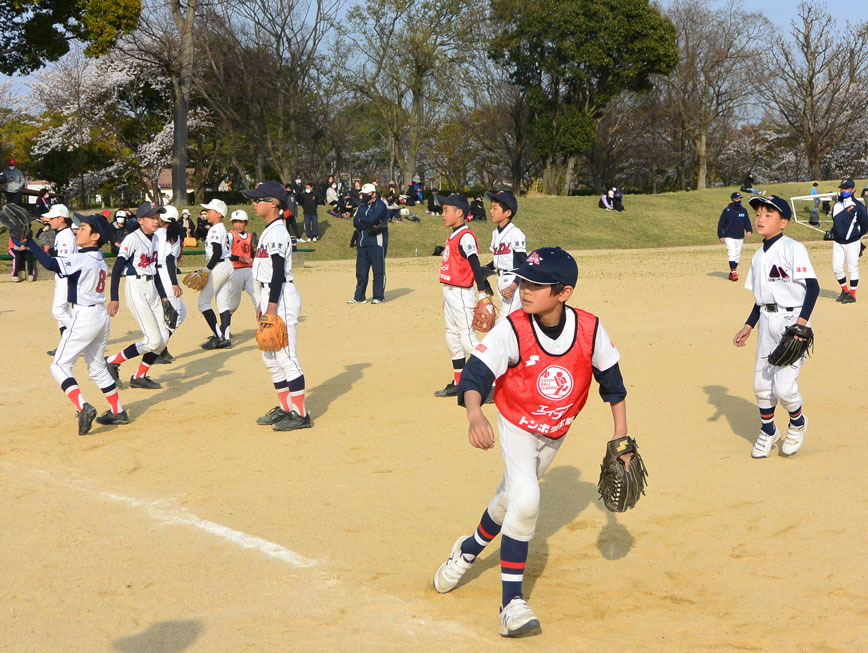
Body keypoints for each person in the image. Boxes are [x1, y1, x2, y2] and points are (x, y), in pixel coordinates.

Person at [432, 246, 630, 637]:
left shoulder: (590, 328)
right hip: (516, 424)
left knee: (509, 500)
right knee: (527, 501)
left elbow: (613, 384)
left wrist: (620, 436)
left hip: (555, 430)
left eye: (538, 284)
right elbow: (474, 374)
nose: (525, 289)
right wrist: (475, 413)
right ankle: (512, 606)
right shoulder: (513, 327)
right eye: (524, 280)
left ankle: (468, 550)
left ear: (564, 292)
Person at [15, 213, 129, 434]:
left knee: (58, 366)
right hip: (100, 318)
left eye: (84, 228)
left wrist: (30, 242)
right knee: (97, 368)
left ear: (95, 236)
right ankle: (118, 411)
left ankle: (83, 406)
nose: (78, 230)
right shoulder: (98, 258)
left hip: (84, 318)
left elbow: (49, 263)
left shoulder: (82, 258)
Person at [732, 194, 818, 458]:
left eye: (769, 215)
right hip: (767, 321)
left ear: (783, 223)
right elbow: (761, 300)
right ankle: (769, 430)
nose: (761, 218)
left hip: (792, 322)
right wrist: (748, 326)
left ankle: (798, 423)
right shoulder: (758, 256)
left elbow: (812, 287)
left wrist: (800, 327)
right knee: (761, 384)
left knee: (784, 388)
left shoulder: (793, 248)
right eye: (758, 214)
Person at [243, 180, 312, 432]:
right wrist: (262, 302)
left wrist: (271, 306)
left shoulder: (279, 232)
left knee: (286, 356)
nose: (254, 203)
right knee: (269, 355)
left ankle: (301, 414)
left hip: (281, 296)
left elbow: (279, 273)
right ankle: (285, 408)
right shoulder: (269, 230)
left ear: (273, 204)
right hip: (270, 295)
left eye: (258, 199)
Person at [103, 202, 174, 390]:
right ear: (140, 220)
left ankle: (139, 376)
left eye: (158, 217)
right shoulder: (132, 239)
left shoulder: (156, 239)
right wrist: (114, 298)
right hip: (136, 286)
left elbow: (156, 270)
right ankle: (111, 362)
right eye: (152, 217)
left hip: (152, 287)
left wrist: (165, 298)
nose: (156, 221)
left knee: (163, 338)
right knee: (153, 340)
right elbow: (118, 268)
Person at [433, 193, 492, 397]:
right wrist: (447, 295)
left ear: (459, 213)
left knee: (468, 339)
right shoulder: (454, 233)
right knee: (452, 337)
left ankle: (491, 383)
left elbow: (475, 264)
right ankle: (459, 382)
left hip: (461, 293)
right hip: (451, 292)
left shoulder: (465, 236)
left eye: (446, 210)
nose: (443, 214)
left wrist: (482, 293)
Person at [197, 198, 235, 349]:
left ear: (219, 214)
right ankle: (225, 337)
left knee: (203, 302)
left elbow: (217, 251)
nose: (207, 213)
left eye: (210, 211)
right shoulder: (222, 229)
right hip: (227, 265)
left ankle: (219, 337)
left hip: (218, 266)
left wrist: (207, 269)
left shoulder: (214, 229)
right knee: (222, 302)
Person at [484, 191, 526, 322]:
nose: (491, 211)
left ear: (507, 213)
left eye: (495, 208)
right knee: (514, 321)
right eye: (491, 207)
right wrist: (485, 268)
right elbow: (498, 259)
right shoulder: (495, 233)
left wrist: (514, 285)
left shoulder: (515, 233)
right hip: (501, 280)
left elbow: (524, 263)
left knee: (504, 322)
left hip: (513, 279)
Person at [153, 206, 186, 364]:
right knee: (177, 315)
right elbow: (169, 259)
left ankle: (161, 349)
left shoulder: (154, 234)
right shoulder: (172, 235)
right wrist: (174, 283)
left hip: (155, 275)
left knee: (168, 315)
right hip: (166, 275)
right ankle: (157, 350)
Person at [827, 177, 868, 304]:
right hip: (838, 242)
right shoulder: (837, 205)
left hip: (852, 242)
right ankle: (844, 291)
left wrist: (857, 238)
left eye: (847, 188)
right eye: (842, 188)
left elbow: (865, 225)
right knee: (837, 268)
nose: (844, 190)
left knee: (852, 268)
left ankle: (852, 294)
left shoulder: (859, 206)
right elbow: (836, 222)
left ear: (853, 189)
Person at [43, 204, 77, 356]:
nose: (49, 220)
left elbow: (64, 262)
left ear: (61, 219)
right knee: (60, 312)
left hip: (66, 278)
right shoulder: (62, 233)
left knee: (58, 311)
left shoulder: (65, 236)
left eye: (52, 218)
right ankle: (66, 344)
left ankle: (79, 336)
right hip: (63, 278)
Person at [348, 183, 387, 304]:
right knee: (361, 271)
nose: (364, 197)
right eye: (363, 195)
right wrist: (367, 223)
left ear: (374, 194)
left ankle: (378, 296)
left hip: (376, 242)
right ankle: (359, 296)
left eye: (366, 195)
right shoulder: (361, 206)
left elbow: (373, 219)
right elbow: (356, 222)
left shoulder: (381, 205)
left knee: (378, 271)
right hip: (362, 242)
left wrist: (364, 220)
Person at [227, 209, 261, 318]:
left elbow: (254, 253)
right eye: (235, 222)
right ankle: (223, 327)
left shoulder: (250, 236)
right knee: (234, 304)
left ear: (246, 223)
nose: (238, 225)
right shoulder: (230, 236)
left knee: (258, 298)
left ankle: (263, 326)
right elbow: (224, 254)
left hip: (249, 271)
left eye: (241, 222)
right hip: (235, 271)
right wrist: (240, 258)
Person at [717, 191, 753, 281]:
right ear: (732, 200)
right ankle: (733, 273)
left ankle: (732, 272)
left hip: (740, 236)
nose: (739, 200)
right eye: (737, 199)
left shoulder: (744, 210)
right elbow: (721, 224)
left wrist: (749, 230)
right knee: (732, 254)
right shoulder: (727, 211)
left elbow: (747, 222)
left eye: (740, 198)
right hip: (729, 236)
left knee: (737, 255)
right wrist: (720, 235)